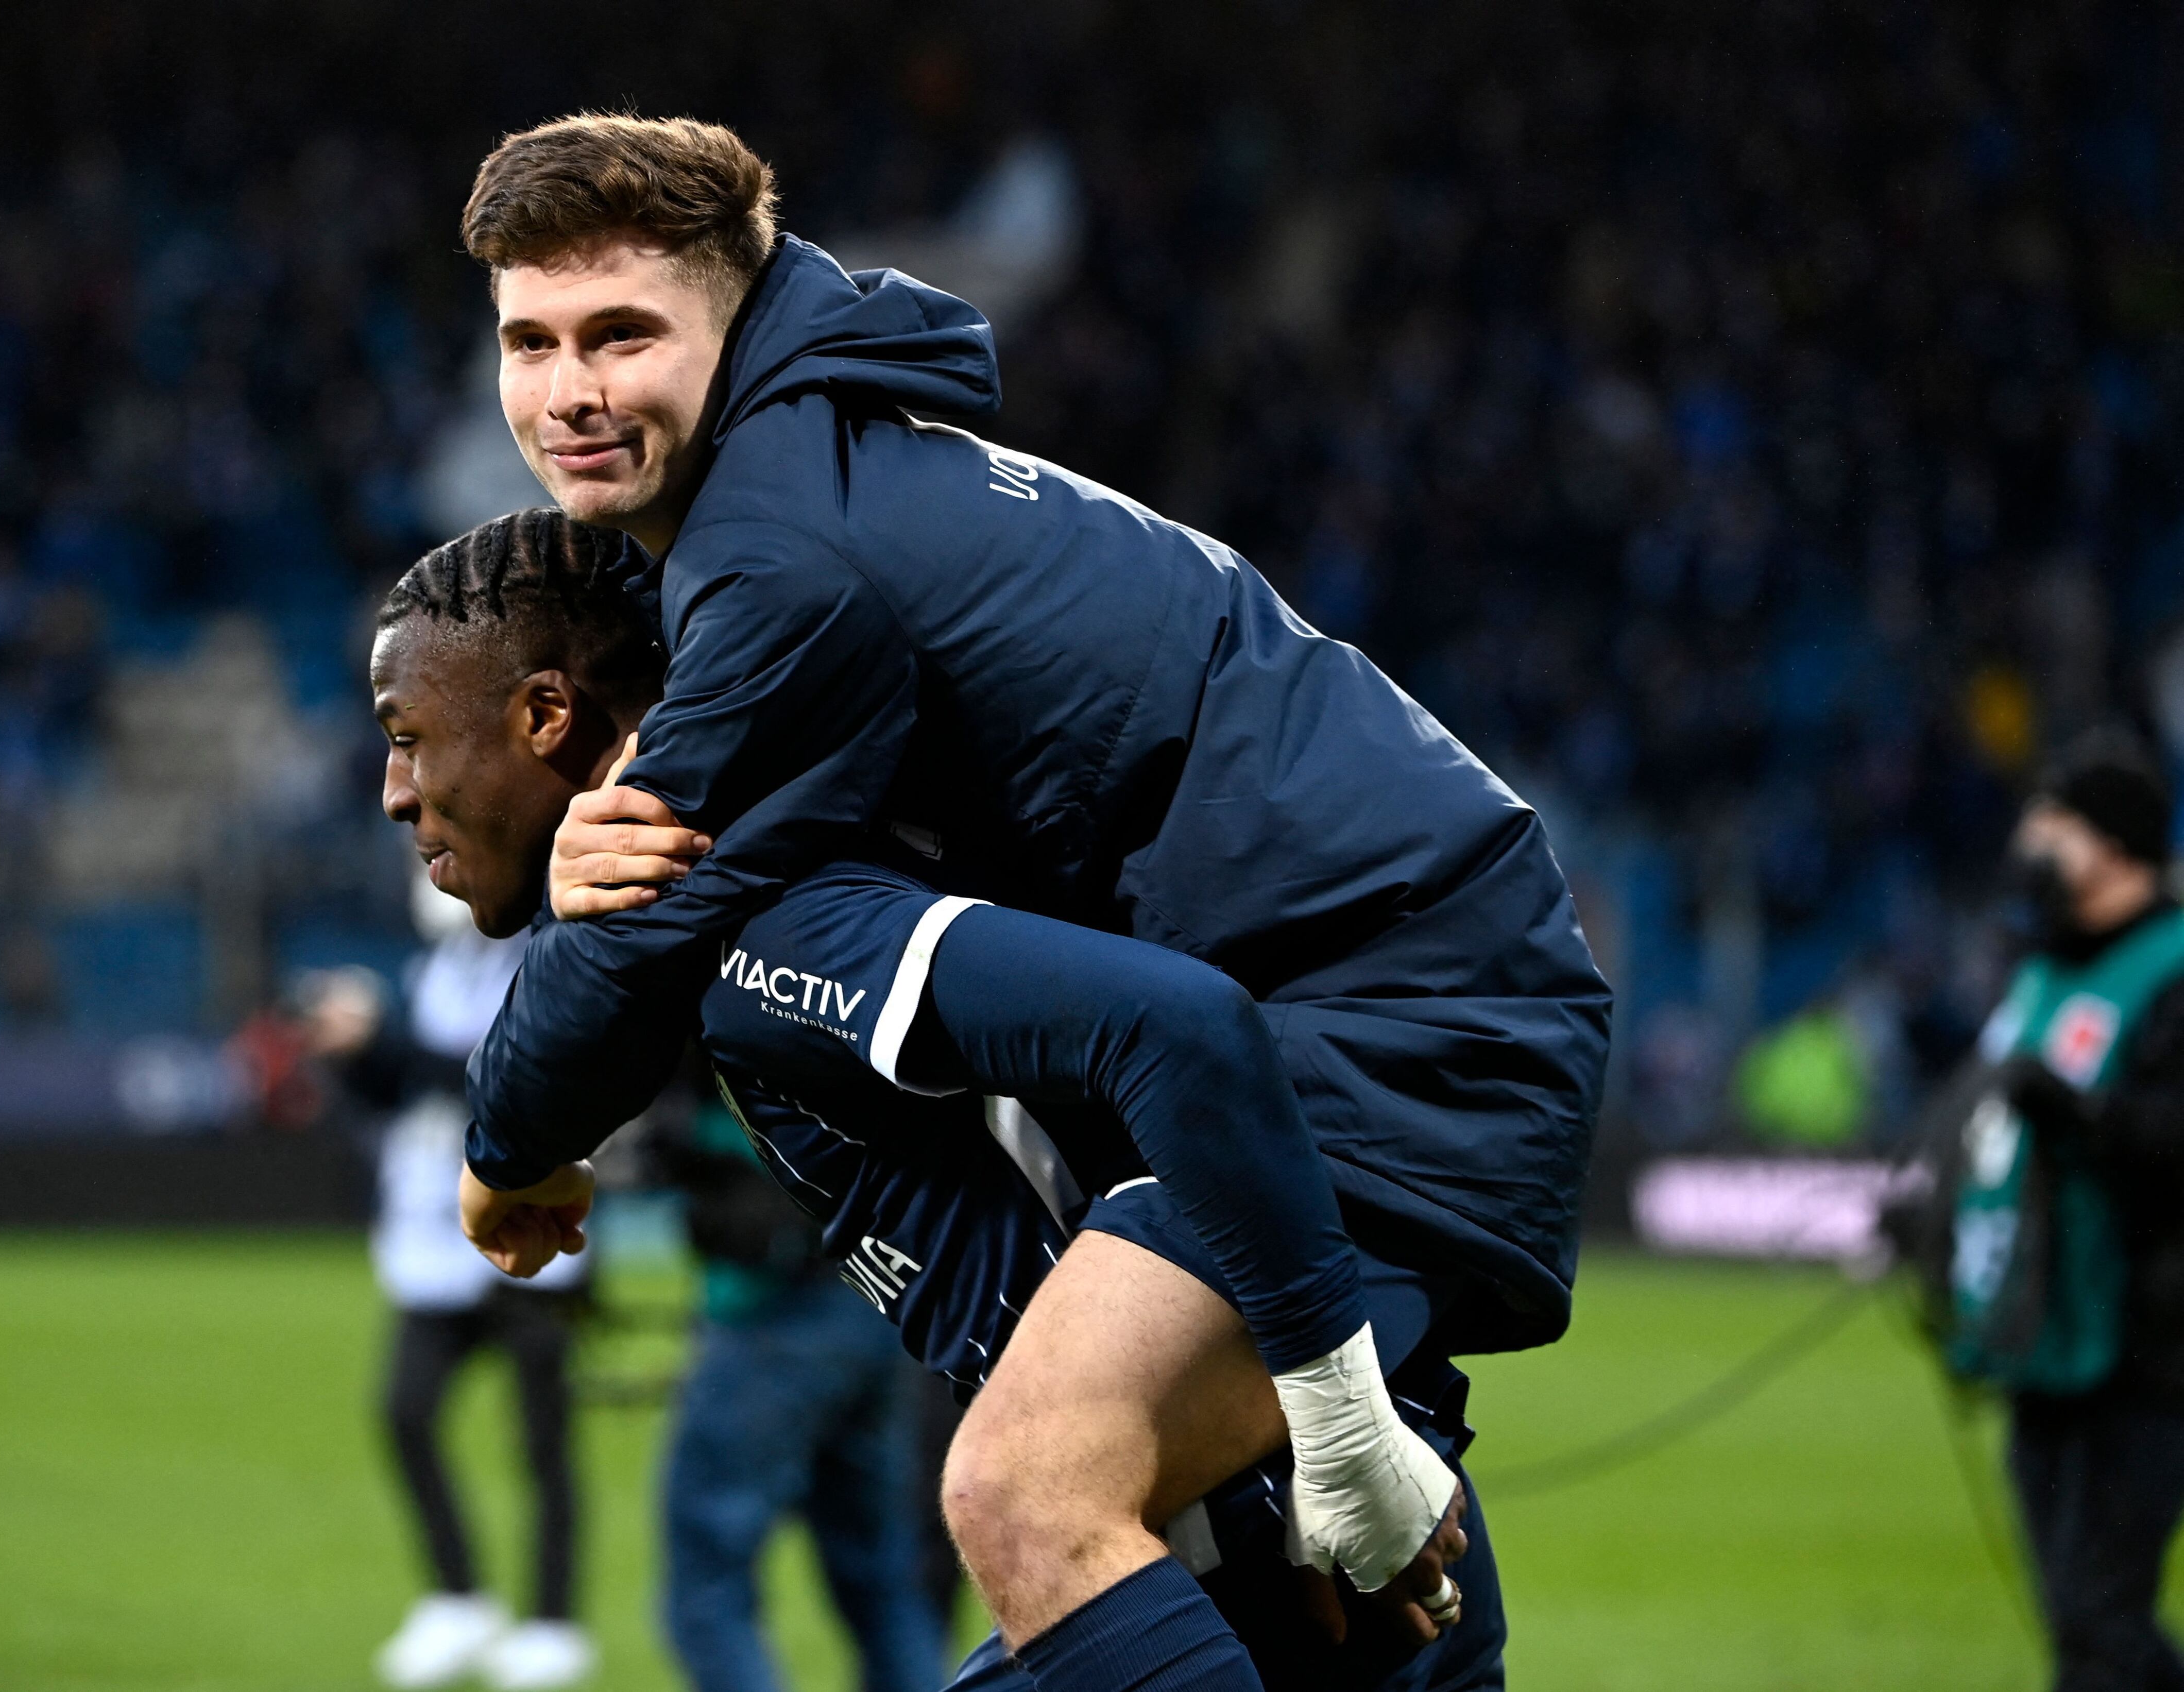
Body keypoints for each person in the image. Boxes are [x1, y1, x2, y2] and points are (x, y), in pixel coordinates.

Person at [445, 114, 1607, 1679]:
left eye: (622, 334)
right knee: (1288, 1588)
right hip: (1357, 989)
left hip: (1373, 1011)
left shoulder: (779, 552)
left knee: (1026, 1488)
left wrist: (507, 1143)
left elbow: (648, 936)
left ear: (738, 307)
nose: (569, 390)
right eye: (530, 341)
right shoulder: (814, 470)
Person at [373, 509, 1491, 1689]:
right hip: (1227, 1528)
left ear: (545, 717)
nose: (396, 791)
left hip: (1259, 1545)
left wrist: (1330, 1427)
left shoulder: (770, 918)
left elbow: (1184, 1030)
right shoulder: (737, 885)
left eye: (408, 737)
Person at [303, 886, 592, 1691]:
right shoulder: (442, 965)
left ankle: (552, 1622)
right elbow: (408, 1093)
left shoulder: (551, 958)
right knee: (406, 1412)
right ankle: (459, 1597)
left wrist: (383, 1045)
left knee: (543, 1444)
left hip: (533, 1237)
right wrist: (351, 1056)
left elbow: (497, 1080)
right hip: (436, 1239)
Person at [1976, 731, 2184, 1692]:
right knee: (2080, 1624)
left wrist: (2081, 1111)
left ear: (2113, 843)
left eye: (2053, 819)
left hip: (2146, 1346)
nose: (2031, 838)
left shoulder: (2174, 968)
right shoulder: (2043, 967)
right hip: (2045, 1335)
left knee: (2102, 1624)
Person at [653, 1088, 949, 1692]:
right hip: (869, 1302)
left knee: (706, 1585)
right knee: (881, 1579)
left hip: (770, 1310)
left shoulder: (732, 1021)